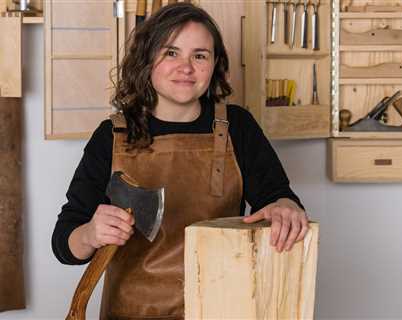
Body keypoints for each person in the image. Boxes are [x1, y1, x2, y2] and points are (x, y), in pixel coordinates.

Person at [52, 3, 308, 319]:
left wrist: (287, 209)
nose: (185, 67)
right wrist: (90, 233)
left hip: (223, 306)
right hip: (133, 312)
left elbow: (278, 198)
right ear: (146, 60)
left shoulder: (237, 127)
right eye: (171, 53)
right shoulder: (112, 136)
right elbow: (64, 243)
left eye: (199, 55)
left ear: (215, 64)